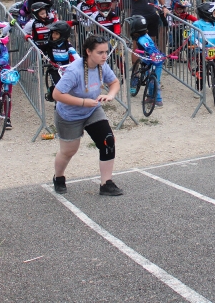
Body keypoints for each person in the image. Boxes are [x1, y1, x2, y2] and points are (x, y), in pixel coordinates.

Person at [51, 34, 123, 196]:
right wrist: (83, 102)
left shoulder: (102, 65)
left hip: (92, 110)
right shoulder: (74, 70)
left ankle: (106, 183)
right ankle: (59, 177)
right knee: (69, 151)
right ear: (88, 51)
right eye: (100, 52)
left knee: (108, 140)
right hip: (69, 115)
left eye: (106, 52)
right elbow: (57, 94)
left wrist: (110, 95)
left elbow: (114, 82)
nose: (105, 56)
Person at [126, 15, 164, 106]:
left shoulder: (142, 39)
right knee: (149, 79)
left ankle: (158, 100)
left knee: (153, 81)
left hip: (155, 61)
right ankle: (150, 97)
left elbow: (150, 48)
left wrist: (153, 55)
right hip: (148, 60)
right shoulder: (144, 35)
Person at [190, 2, 215, 96]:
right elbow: (192, 36)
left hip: (212, 49)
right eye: (214, 12)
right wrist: (198, 43)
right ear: (207, 13)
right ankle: (199, 89)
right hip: (200, 50)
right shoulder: (197, 24)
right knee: (201, 69)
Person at [44, 21, 80, 99]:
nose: (53, 35)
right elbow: (39, 48)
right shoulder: (49, 44)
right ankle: (57, 103)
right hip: (53, 69)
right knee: (58, 86)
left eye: (56, 34)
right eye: (53, 33)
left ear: (63, 35)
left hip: (65, 69)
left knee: (69, 86)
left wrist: (81, 64)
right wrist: (29, 38)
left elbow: (75, 55)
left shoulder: (67, 45)